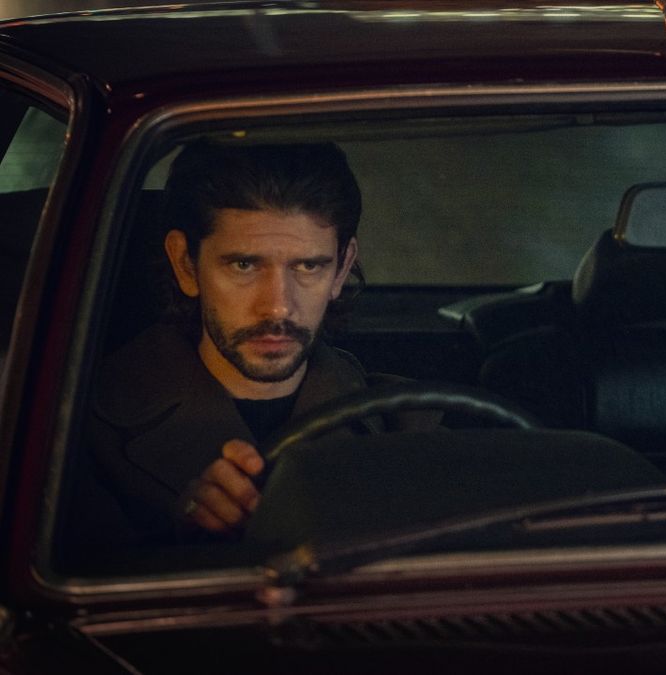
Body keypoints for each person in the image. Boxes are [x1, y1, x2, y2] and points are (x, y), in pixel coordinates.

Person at [71, 140, 437, 549]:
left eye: (309, 266)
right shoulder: (72, 436)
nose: (278, 306)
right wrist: (179, 544)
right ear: (185, 264)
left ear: (342, 269)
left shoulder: (414, 423)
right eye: (244, 265)